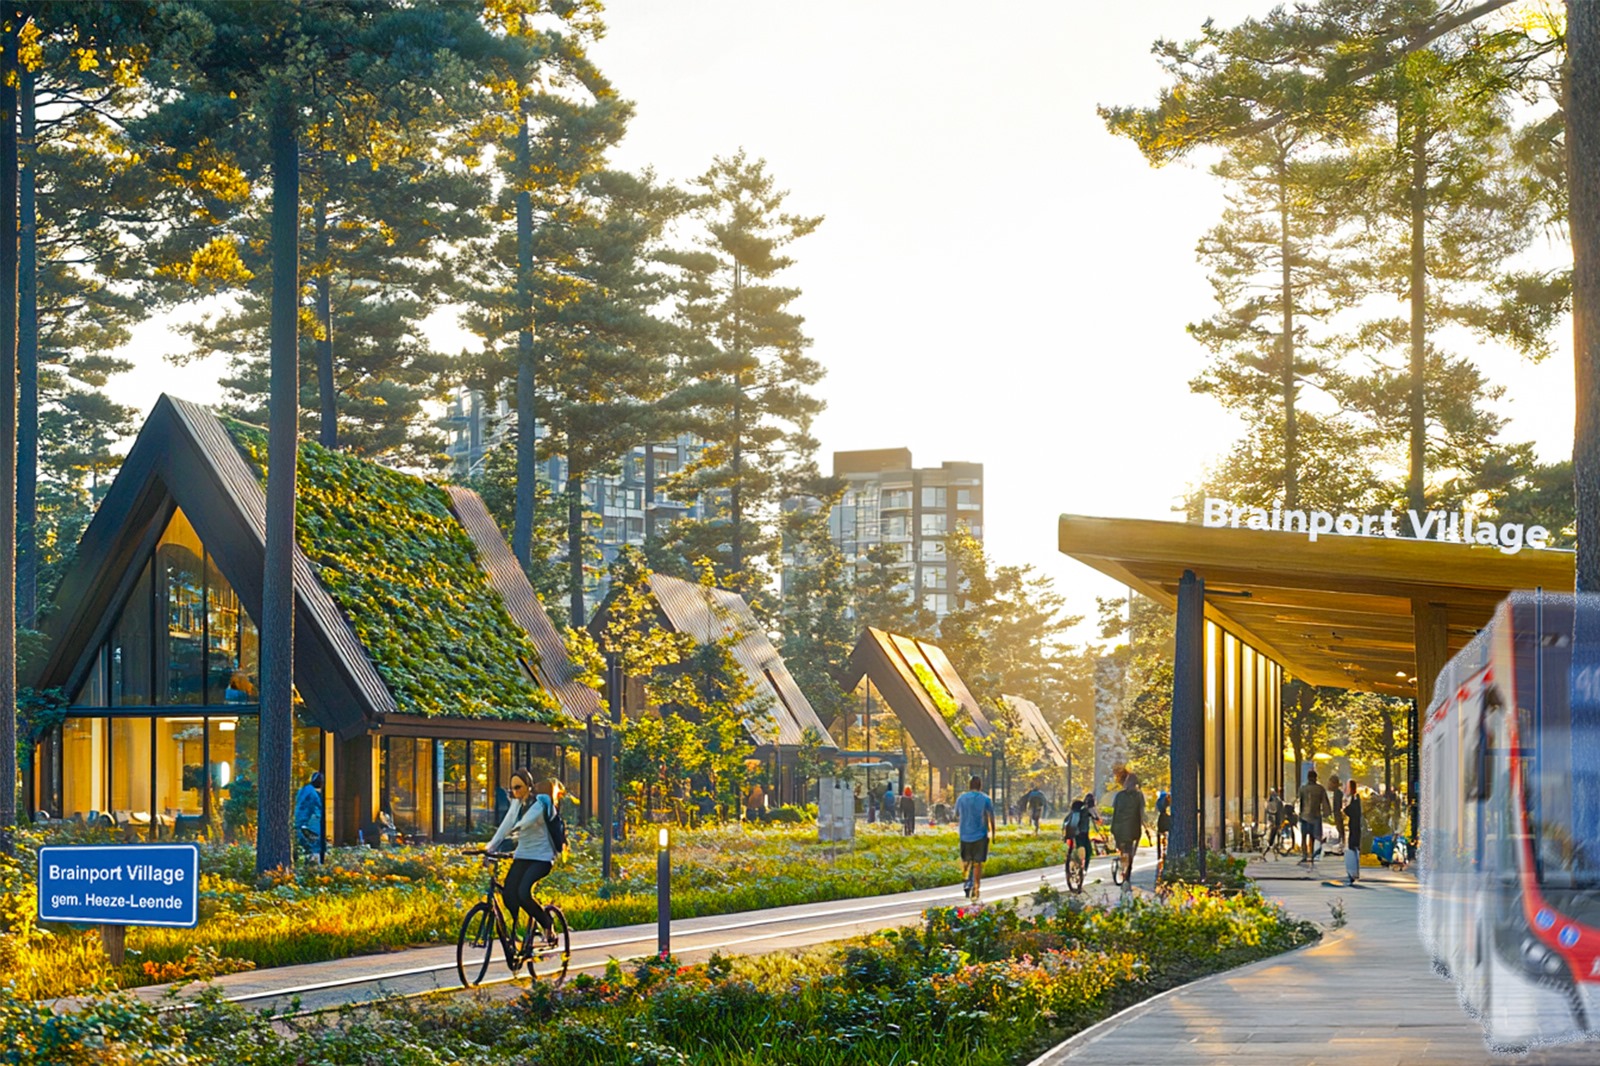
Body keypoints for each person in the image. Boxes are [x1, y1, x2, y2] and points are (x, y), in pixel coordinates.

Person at [482, 769, 562, 952]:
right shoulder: (517, 804)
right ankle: (519, 933)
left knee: (523, 892)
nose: (515, 793)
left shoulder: (541, 803)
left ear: (529, 786)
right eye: (512, 790)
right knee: (510, 895)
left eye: (518, 788)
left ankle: (547, 923)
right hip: (523, 856)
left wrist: (505, 841)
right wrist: (489, 849)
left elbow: (523, 823)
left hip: (542, 858)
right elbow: (506, 824)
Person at [955, 775, 997, 903]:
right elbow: (991, 817)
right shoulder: (985, 799)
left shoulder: (961, 798)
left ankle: (966, 878)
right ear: (980, 786)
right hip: (980, 835)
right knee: (978, 862)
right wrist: (993, 833)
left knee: (966, 860)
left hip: (965, 835)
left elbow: (956, 814)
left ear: (969, 785)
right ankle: (976, 887)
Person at [1111, 769, 1146, 892]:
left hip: (1119, 827)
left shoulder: (1119, 795)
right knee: (1130, 850)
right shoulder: (1138, 795)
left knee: (1123, 848)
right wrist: (1145, 825)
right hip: (1132, 827)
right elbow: (1141, 813)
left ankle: (1123, 863)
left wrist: (1113, 827)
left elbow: (1115, 812)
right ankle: (1127, 874)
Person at [1297, 770, 1330, 865]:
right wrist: (1326, 813)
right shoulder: (1320, 789)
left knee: (1304, 836)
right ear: (1315, 778)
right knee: (1312, 836)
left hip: (1304, 815)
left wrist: (1298, 813)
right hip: (1315, 816)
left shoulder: (1303, 788)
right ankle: (1310, 854)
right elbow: (1324, 802)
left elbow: (1299, 802)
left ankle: (1304, 855)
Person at [294, 771, 323, 860]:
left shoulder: (302, 790)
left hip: (299, 822)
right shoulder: (313, 794)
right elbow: (317, 807)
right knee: (312, 846)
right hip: (307, 823)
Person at [1063, 798, 1090, 892]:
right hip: (1081, 836)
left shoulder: (1070, 815)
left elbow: (1066, 825)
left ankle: (1071, 866)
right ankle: (1084, 868)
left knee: (1071, 851)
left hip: (1070, 836)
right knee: (1088, 851)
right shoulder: (1084, 813)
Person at [1343, 779, 1364, 885]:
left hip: (1354, 825)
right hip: (1355, 825)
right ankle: (1354, 871)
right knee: (1354, 847)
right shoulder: (1356, 797)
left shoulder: (1354, 798)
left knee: (1353, 846)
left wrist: (1345, 809)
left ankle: (1353, 871)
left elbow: (1353, 811)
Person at [1328, 773, 1345, 853]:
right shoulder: (1336, 793)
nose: (1329, 785)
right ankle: (1342, 841)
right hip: (1337, 813)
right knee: (1339, 828)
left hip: (1338, 813)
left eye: (1330, 783)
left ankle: (1342, 841)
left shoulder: (1338, 793)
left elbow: (1339, 805)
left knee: (1340, 828)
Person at [1155, 789, 1171, 854]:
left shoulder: (1161, 801)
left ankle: (1162, 850)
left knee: (1160, 832)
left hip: (1162, 819)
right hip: (1167, 819)